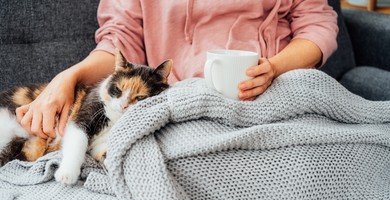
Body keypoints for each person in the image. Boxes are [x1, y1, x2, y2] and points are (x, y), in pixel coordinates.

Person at [16, 0, 338, 140]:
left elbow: (317, 26)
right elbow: (120, 43)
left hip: (274, 88)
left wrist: (274, 68)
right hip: (180, 102)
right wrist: (66, 77)